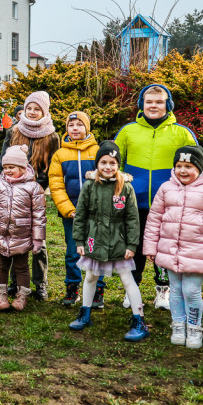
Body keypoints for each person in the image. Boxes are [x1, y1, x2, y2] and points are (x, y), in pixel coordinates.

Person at [114, 83, 198, 310]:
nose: (153, 106)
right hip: (134, 203)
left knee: (165, 248)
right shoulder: (128, 131)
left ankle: (163, 291)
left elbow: (195, 168)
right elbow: (112, 164)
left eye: (159, 102)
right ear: (142, 104)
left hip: (168, 204)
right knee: (136, 245)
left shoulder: (182, 133)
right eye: (149, 102)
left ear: (167, 105)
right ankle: (133, 288)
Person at [143, 146, 203, 349]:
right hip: (170, 250)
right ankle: (178, 325)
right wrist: (150, 247)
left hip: (198, 253)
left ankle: (194, 327)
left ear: (199, 169)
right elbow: (154, 219)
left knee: (191, 291)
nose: (183, 171)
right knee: (175, 289)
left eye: (189, 166)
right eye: (179, 166)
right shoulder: (166, 188)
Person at [66, 142, 147, 340]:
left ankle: (139, 320)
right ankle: (85, 313)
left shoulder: (126, 188)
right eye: (103, 162)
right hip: (94, 240)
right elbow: (81, 216)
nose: (108, 167)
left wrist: (131, 245)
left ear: (118, 165)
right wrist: (79, 240)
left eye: (112, 163)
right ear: (97, 164)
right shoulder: (89, 186)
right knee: (91, 277)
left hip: (118, 243)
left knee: (128, 280)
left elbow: (132, 218)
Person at [0, 91, 59, 301]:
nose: (32, 112)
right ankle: (16, 281)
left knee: (37, 239)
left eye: (37, 109)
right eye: (29, 108)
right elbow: (3, 159)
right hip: (14, 192)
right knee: (15, 236)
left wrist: (39, 187)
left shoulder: (51, 136)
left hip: (36, 192)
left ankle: (40, 282)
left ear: (44, 111)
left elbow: (53, 167)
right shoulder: (14, 131)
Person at [0, 143, 46, 312]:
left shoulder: (33, 188)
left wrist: (38, 238)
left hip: (22, 236)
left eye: (12, 167)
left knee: (22, 267)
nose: (8, 170)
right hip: (0, 234)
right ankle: (1, 294)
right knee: (1, 266)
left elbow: (39, 215)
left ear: (22, 168)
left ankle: (22, 295)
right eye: (6, 167)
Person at [48, 111, 100, 308]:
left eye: (80, 124)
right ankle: (72, 287)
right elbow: (56, 184)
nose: (75, 128)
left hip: (95, 213)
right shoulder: (60, 154)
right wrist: (68, 209)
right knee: (72, 250)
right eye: (71, 125)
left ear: (87, 127)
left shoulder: (97, 151)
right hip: (71, 213)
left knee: (96, 250)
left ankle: (97, 289)